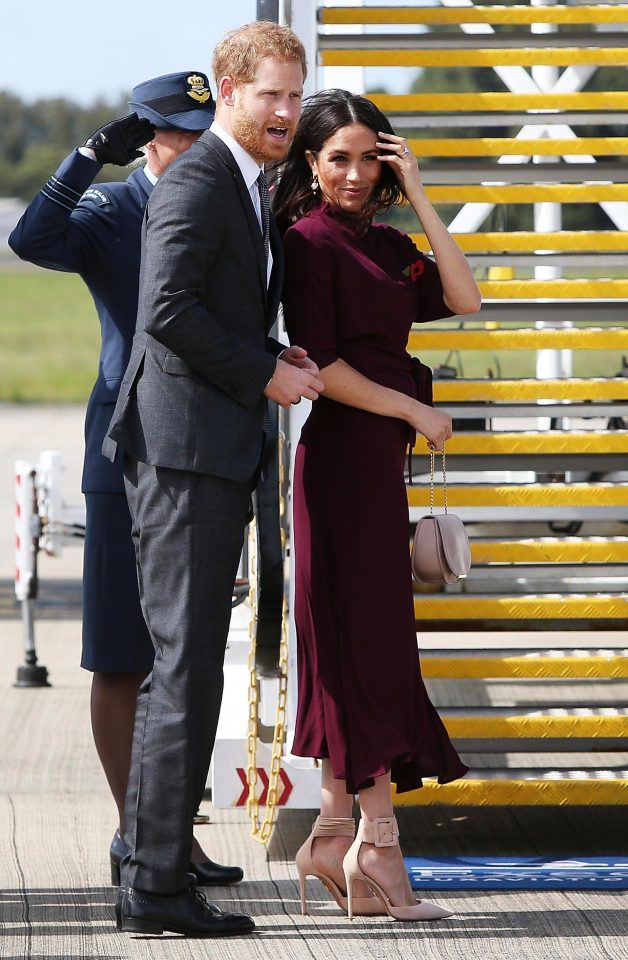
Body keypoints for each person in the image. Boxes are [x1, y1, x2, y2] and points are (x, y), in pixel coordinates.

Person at [103, 22, 324, 938]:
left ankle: (143, 862)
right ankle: (155, 887)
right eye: (270, 95)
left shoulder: (244, 180)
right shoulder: (200, 177)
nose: (285, 113)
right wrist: (260, 370)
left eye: (294, 97)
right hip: (184, 450)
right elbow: (164, 310)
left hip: (207, 445)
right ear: (228, 93)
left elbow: (216, 304)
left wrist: (271, 349)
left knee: (184, 670)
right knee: (185, 673)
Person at [8, 72, 242, 888]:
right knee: (121, 653)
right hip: (123, 448)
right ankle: (134, 838)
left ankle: (169, 836)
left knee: (188, 655)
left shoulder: (224, 203)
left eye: (204, 131)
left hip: (203, 449)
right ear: (146, 137)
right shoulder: (115, 211)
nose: (195, 145)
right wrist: (84, 159)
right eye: (178, 132)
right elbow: (31, 240)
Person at [273, 89, 482, 922]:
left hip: (374, 469)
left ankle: (335, 833)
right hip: (340, 465)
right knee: (367, 650)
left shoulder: (392, 243)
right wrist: (415, 411)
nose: (354, 174)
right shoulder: (305, 242)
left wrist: (423, 193)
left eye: (369, 158)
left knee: (360, 647)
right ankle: (379, 850)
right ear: (311, 165)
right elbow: (323, 365)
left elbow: (463, 298)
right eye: (337, 159)